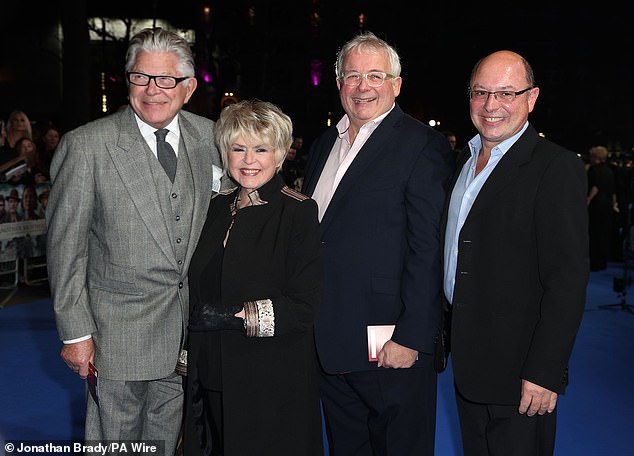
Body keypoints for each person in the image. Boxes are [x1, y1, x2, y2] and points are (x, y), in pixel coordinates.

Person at [46, 27, 225, 454]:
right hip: (116, 338)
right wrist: (75, 334)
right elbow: (64, 249)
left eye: (166, 79)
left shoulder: (214, 139)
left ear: (189, 88)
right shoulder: (87, 146)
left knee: (168, 443)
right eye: (140, 77)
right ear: (126, 80)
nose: (152, 90)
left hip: (189, 337)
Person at [302, 31, 454, 455]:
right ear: (338, 84)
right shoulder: (322, 145)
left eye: (375, 75)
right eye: (352, 76)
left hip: (390, 345)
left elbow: (428, 248)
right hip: (329, 345)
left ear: (396, 84)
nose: (363, 86)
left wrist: (413, 337)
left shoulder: (422, 145)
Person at [442, 50, 589, 456]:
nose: (491, 106)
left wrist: (545, 371)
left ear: (532, 97)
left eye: (506, 92)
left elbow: (567, 278)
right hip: (468, 364)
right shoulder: (463, 161)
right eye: (481, 92)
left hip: (521, 372)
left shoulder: (555, 167)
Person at [184, 99, 324, 455]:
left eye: (261, 149)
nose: (249, 161)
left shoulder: (298, 211)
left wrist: (231, 317)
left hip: (271, 376)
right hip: (212, 372)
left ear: (280, 154)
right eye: (238, 148)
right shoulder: (215, 206)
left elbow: (303, 307)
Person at [586, 145, 617, 271]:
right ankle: (603, 262)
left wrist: (588, 199)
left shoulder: (594, 170)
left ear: (596, 157)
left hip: (596, 205)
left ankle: (594, 263)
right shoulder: (610, 171)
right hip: (607, 205)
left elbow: (596, 186)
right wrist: (614, 204)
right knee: (604, 233)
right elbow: (613, 190)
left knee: (594, 233)